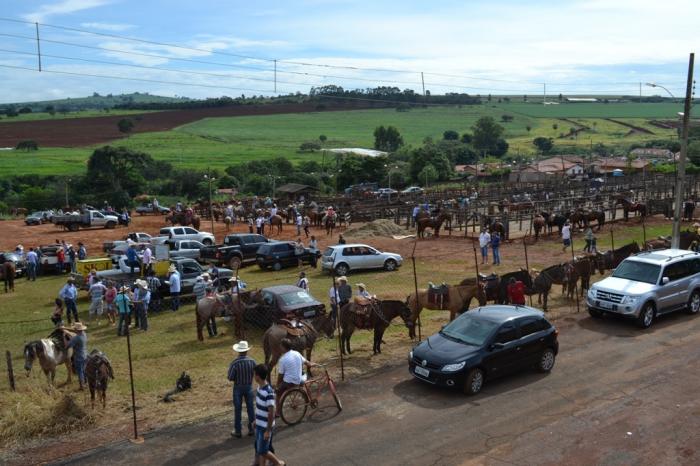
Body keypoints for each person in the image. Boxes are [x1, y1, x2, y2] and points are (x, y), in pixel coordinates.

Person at [253, 364, 286, 466]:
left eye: (254, 374)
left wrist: (267, 430)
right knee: (260, 448)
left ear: (258, 376)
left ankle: (279, 463)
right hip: (259, 425)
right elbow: (259, 408)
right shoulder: (259, 388)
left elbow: (271, 412)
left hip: (265, 427)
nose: (253, 376)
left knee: (262, 450)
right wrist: (255, 420)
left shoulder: (268, 392)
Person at [227, 341, 257, 438]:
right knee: (251, 408)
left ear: (238, 351)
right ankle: (252, 429)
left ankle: (238, 431)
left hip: (238, 388)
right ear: (247, 351)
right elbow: (255, 375)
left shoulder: (235, 363)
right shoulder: (252, 361)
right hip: (249, 387)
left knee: (238, 409)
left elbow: (230, 377)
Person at [276, 338, 316, 410]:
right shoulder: (297, 353)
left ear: (284, 347)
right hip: (298, 380)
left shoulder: (282, 359)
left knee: (278, 394)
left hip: (289, 383)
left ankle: (278, 412)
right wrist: (313, 364)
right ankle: (310, 400)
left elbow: (280, 376)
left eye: (280, 346)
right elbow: (307, 363)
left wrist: (277, 386)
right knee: (303, 380)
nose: (279, 348)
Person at [65, 322, 88, 390]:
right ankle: (85, 382)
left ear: (77, 330)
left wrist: (64, 336)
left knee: (80, 371)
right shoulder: (84, 334)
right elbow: (74, 332)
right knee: (84, 369)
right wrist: (65, 329)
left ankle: (82, 386)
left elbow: (67, 346)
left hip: (78, 357)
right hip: (85, 354)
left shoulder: (76, 338)